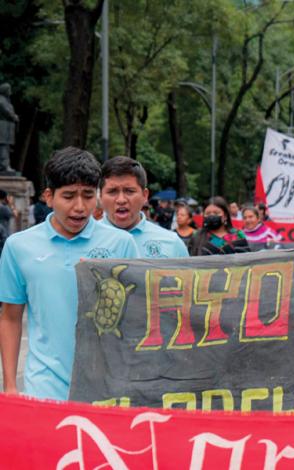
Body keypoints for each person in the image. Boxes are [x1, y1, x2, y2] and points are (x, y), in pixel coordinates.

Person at [0, 147, 138, 400]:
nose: (79, 207)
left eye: (87, 195)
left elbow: (135, 317)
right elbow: (10, 316)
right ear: (48, 197)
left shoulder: (121, 244)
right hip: (43, 389)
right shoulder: (19, 247)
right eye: (69, 196)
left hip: (106, 388)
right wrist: (10, 386)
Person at [99, 156, 189, 259]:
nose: (121, 200)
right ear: (100, 196)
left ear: (145, 195)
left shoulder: (172, 244)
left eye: (129, 191)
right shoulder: (84, 241)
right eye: (112, 191)